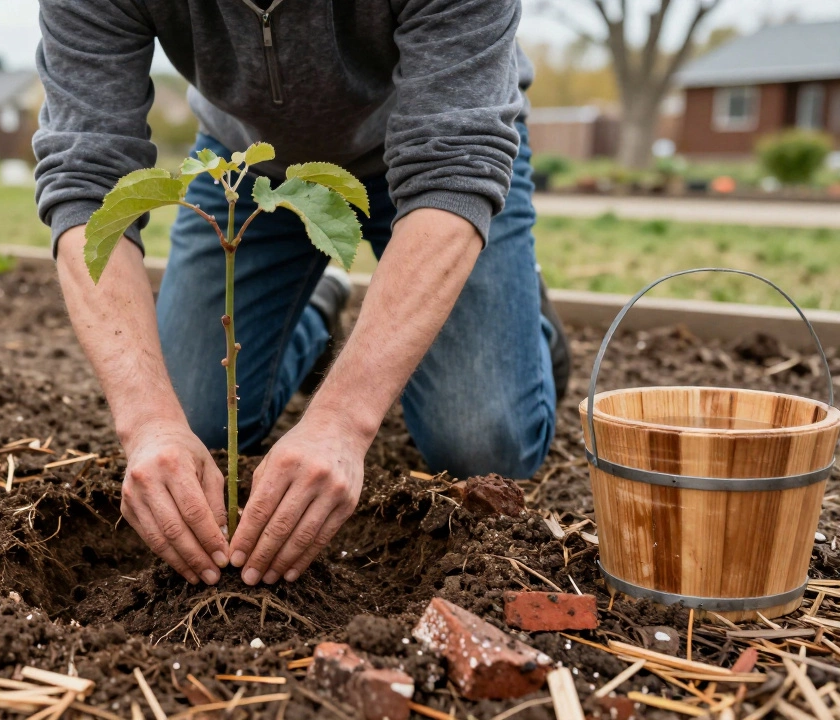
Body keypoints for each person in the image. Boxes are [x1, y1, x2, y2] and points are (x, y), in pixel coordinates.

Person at [32, 0, 570, 589]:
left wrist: (342, 422)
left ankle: (509, 307)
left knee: (481, 442)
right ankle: (318, 311)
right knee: (195, 422)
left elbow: (455, 166)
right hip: (249, 170)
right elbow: (86, 181)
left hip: (447, 150)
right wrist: (147, 424)